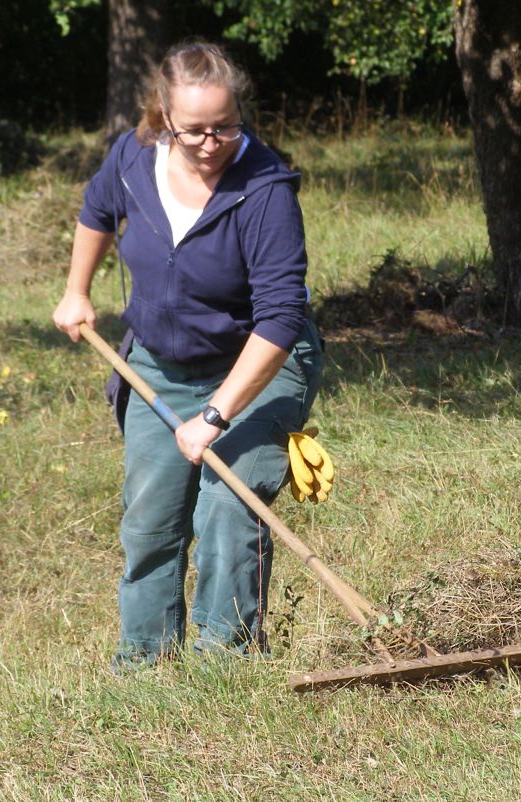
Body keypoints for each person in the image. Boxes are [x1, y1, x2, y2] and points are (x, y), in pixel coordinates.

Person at [52, 41, 322, 667]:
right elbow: (97, 209)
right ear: (163, 120)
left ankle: (225, 662)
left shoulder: (265, 189)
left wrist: (216, 415)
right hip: (158, 361)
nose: (210, 144)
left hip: (258, 362)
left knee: (231, 503)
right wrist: (76, 291)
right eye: (194, 131)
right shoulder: (133, 155)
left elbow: (280, 319)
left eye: (225, 128)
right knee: (151, 511)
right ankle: (144, 661)